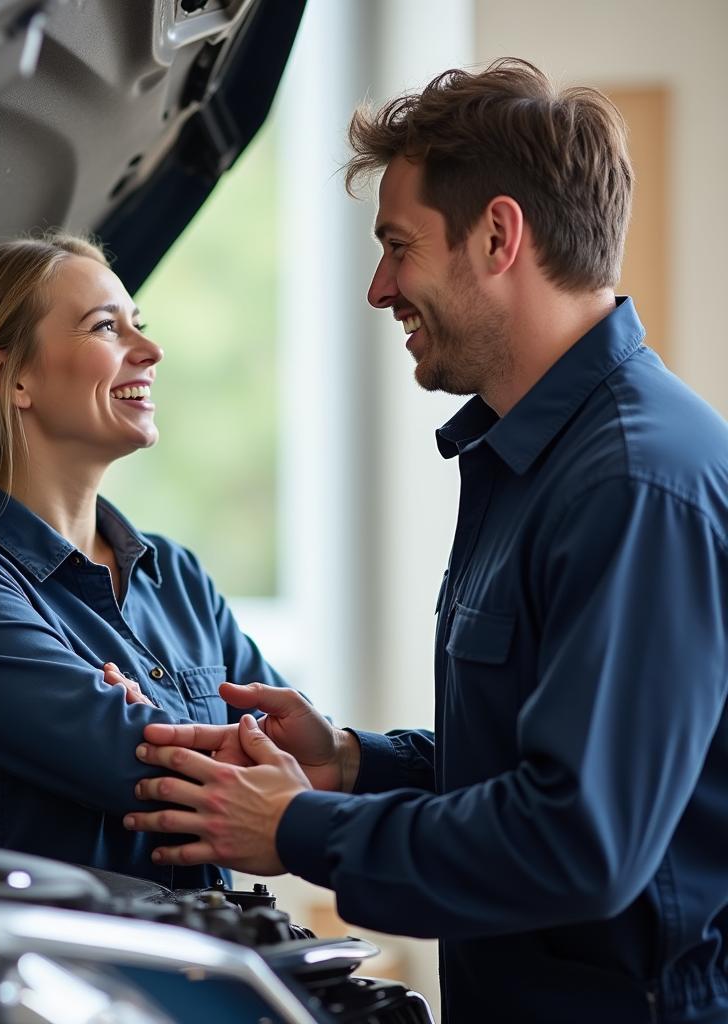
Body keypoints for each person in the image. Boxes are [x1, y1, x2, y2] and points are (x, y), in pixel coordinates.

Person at [123, 59, 728, 1022]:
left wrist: (302, 830)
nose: (377, 289)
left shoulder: (632, 483)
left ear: (498, 235)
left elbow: (582, 839)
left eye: (397, 247)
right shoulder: (535, 460)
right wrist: (354, 763)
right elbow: (540, 764)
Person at [0, 233, 292, 889]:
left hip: (208, 971)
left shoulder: (175, 576)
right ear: (11, 377)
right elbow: (162, 776)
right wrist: (169, 741)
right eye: (105, 327)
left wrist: (149, 720)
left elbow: (298, 757)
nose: (150, 351)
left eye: (138, 326)